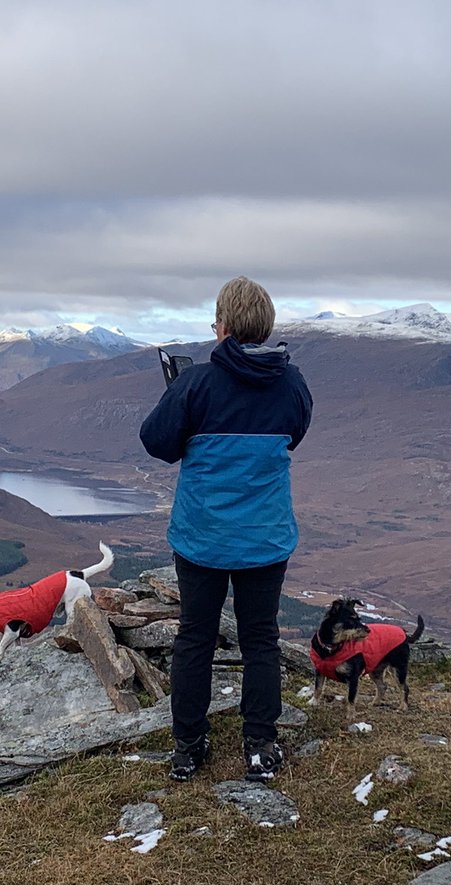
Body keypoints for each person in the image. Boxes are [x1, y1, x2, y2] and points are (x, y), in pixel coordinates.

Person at [140, 276, 313, 782]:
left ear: (223, 327)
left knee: (195, 636)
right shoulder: (292, 383)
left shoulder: (197, 384)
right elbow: (295, 434)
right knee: (261, 637)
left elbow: (157, 442)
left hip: (202, 537)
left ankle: (188, 749)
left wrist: (179, 399)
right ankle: (260, 745)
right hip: (265, 536)